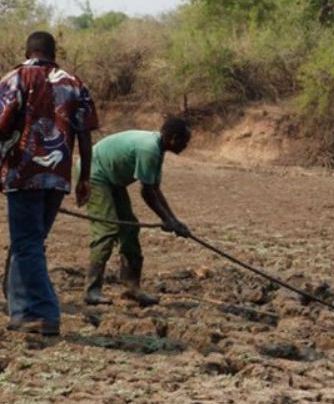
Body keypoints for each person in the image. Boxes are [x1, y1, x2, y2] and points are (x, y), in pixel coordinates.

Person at [0, 31, 98, 335]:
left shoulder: (15, 79)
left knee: (27, 244)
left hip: (23, 173)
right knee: (28, 243)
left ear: (28, 50)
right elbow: (85, 135)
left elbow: (1, 126)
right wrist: (84, 178)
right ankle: (21, 312)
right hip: (58, 177)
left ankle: (45, 311)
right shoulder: (74, 83)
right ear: (54, 52)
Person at [84, 117, 192, 307]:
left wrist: (174, 220)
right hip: (95, 174)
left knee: (130, 229)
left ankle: (131, 288)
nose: (186, 146)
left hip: (112, 179)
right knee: (107, 230)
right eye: (185, 141)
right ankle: (92, 290)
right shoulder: (148, 149)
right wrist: (168, 220)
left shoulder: (158, 148)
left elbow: (155, 189)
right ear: (174, 139)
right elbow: (147, 193)